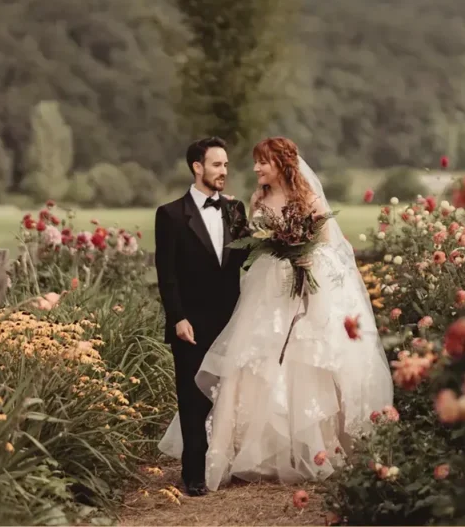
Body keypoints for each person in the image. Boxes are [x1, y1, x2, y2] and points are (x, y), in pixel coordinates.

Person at [159, 136, 393, 491]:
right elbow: (223, 257)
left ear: (280, 163)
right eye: (220, 164)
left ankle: (306, 449)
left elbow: (326, 244)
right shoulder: (247, 202)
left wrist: (302, 256)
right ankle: (214, 464)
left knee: (302, 365)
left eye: (261, 162)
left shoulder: (254, 205)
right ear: (197, 167)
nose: (252, 169)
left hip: (296, 290)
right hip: (260, 293)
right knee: (247, 370)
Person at [153, 136, 249, 497]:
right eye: (216, 164)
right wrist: (177, 317)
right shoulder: (171, 215)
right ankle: (193, 473)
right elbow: (167, 274)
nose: (223, 171)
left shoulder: (236, 210)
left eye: (225, 164)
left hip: (232, 320)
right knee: (193, 398)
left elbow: (248, 258)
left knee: (229, 395)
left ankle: (228, 464)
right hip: (190, 323)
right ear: (197, 167)